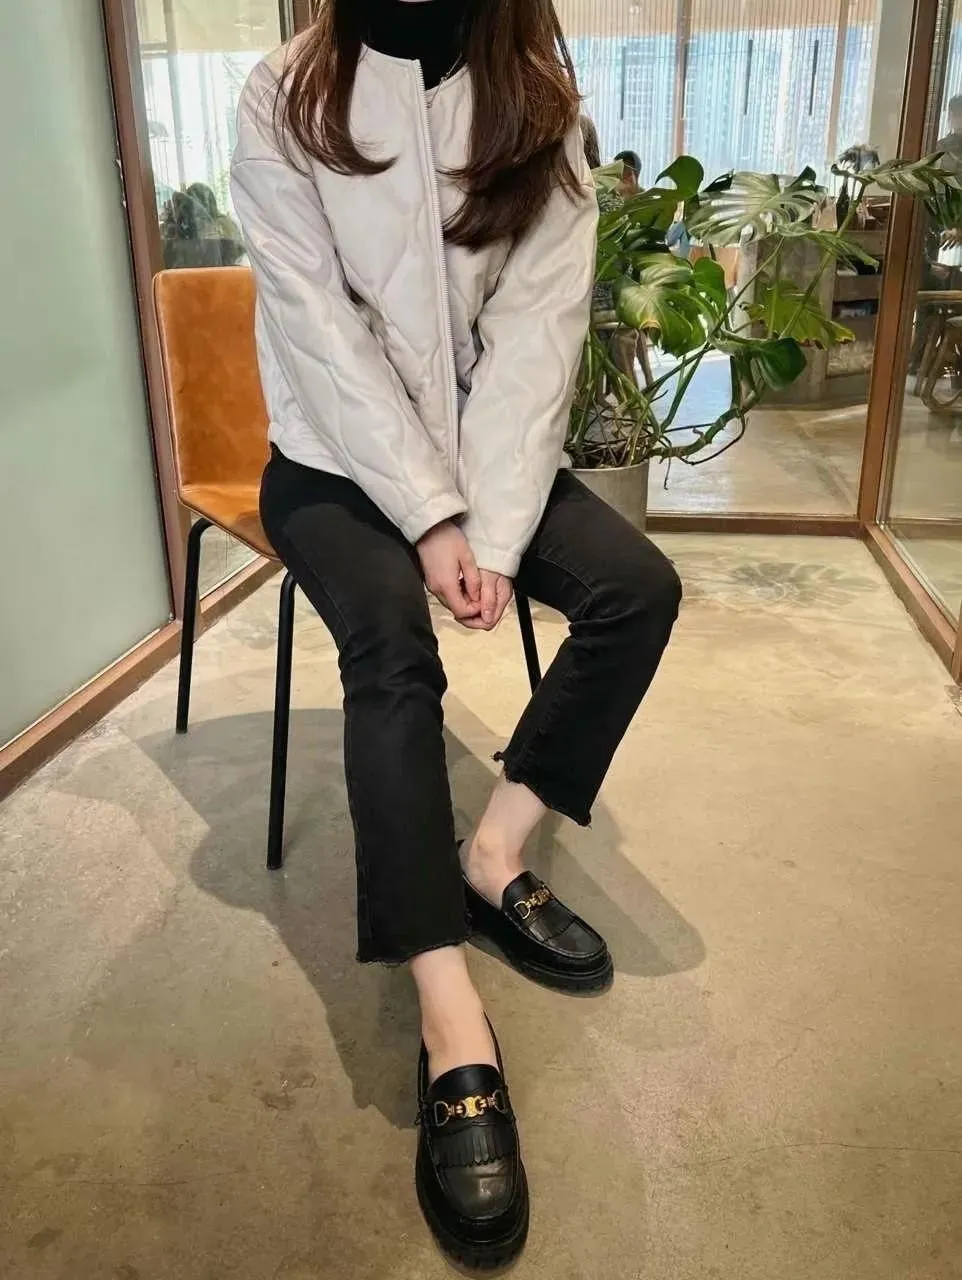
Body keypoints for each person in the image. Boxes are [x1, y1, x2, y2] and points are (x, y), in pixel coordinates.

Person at [231, 0, 681, 1267]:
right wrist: (427, 519)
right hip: (327, 459)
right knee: (390, 644)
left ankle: (490, 854)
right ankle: (446, 1015)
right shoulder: (282, 96)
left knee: (636, 589)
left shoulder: (538, 108)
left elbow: (537, 340)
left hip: (487, 453)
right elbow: (316, 332)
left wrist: (488, 528)